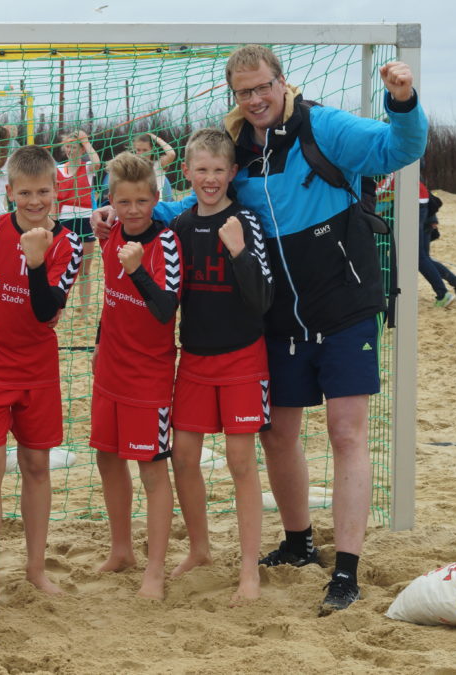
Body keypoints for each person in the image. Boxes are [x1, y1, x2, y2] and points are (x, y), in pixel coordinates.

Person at [123, 45, 426, 613]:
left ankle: (347, 569)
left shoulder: (325, 127)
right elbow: (197, 203)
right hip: (278, 314)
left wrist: (402, 99)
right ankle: (298, 542)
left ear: (283, 81)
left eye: (263, 86)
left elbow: (399, 147)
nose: (256, 99)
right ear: (235, 96)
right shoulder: (238, 149)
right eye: (244, 92)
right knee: (278, 433)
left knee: (345, 431)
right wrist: (134, 216)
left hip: (344, 304)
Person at [0, 144, 83, 613]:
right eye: (27, 192)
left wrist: (36, 259)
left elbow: (45, 310)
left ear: (57, 192)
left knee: (37, 466)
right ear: (10, 192)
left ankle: (35, 569)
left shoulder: (68, 244)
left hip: (36, 370)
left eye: (45, 192)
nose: (36, 201)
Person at [166, 129, 274, 605]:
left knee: (239, 461)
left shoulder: (246, 221)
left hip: (242, 358)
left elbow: (263, 298)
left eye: (218, 170)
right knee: (183, 456)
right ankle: (200, 548)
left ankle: (249, 570)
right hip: (193, 358)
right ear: (186, 173)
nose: (210, 179)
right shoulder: (182, 226)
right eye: (201, 169)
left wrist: (239, 251)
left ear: (232, 173)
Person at [90, 152, 179, 601]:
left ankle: (156, 570)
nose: (132, 210)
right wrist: (99, 344)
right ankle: (121, 549)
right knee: (107, 457)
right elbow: (110, 299)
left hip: (149, 374)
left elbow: (165, 311)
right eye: (123, 201)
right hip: (110, 368)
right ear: (111, 200)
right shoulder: (110, 234)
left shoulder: (165, 244)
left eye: (142, 201)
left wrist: (137, 269)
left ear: (155, 199)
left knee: (152, 469)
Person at [378, 176, 456, 307]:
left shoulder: (390, 172)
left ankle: (443, 294)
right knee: (422, 258)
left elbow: (379, 191)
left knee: (418, 258)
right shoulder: (401, 173)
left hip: (415, 208)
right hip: (422, 209)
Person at [56, 129, 101, 313]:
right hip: (64, 220)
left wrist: (85, 139)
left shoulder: (88, 167)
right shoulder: (58, 169)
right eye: (67, 146)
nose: (70, 150)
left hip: (84, 220)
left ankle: (84, 308)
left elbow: (98, 162)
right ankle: (61, 306)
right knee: (62, 267)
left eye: (74, 147)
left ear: (82, 150)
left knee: (85, 269)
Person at [131, 132, 177, 200]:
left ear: (152, 150)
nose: (141, 154)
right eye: (138, 150)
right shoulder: (132, 166)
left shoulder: (158, 165)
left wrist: (156, 138)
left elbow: (171, 154)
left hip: (156, 206)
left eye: (145, 150)